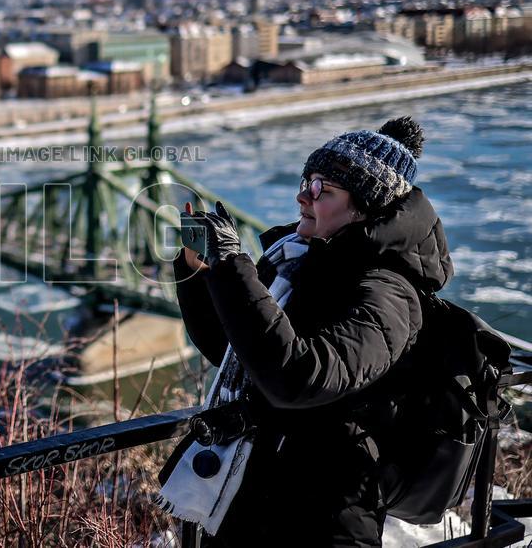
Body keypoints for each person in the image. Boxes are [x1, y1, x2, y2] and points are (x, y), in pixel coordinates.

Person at [170, 116, 453, 547]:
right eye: (307, 180)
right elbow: (239, 352)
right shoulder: (299, 259)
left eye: (323, 189)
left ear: (363, 208)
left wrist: (233, 269)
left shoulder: (387, 291)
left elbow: (298, 379)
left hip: (322, 515)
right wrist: (200, 273)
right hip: (255, 493)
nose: (303, 195)